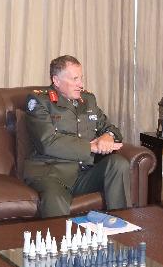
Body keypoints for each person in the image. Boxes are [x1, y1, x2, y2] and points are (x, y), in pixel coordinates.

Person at [23, 55, 129, 217]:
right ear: (56, 81)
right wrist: (91, 147)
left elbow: (111, 129)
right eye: (75, 79)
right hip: (53, 173)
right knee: (54, 198)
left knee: (118, 163)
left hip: (84, 172)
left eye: (81, 78)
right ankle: (60, 234)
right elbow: (47, 142)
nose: (81, 84)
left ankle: (119, 223)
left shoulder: (88, 100)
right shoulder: (40, 101)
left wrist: (107, 136)